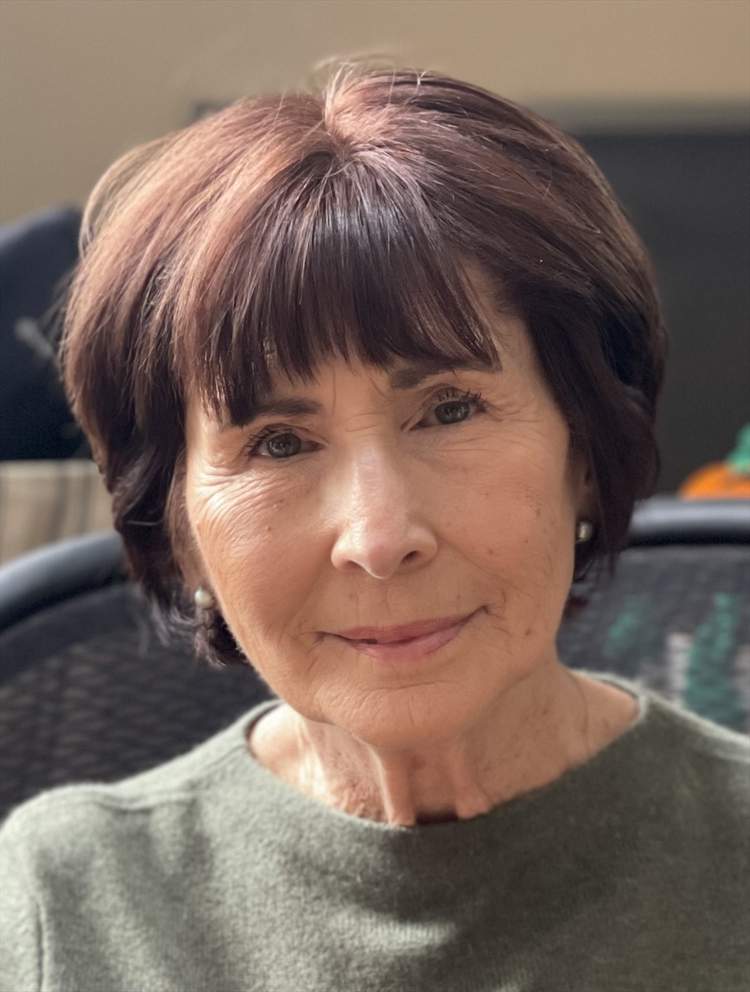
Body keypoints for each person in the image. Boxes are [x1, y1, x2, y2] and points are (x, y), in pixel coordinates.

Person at [1, 58, 748, 991]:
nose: (380, 537)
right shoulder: (61, 908)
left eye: (449, 410)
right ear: (177, 527)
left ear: (587, 451)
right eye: (278, 443)